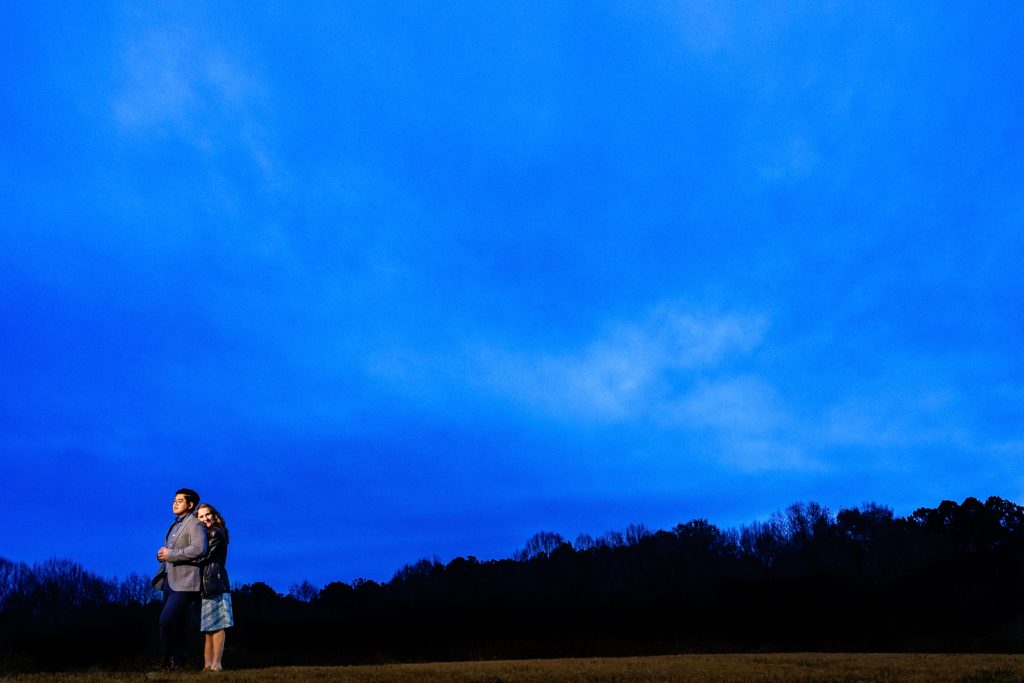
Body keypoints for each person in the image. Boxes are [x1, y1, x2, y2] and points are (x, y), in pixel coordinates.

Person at [154, 488, 208, 670]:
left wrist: (171, 554)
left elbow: (199, 549)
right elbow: (171, 552)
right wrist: (162, 555)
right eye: (174, 500)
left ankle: (166, 657)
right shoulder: (174, 525)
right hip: (169, 580)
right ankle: (178, 662)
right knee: (176, 623)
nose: (174, 503)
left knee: (165, 621)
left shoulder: (196, 524)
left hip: (186, 582)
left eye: (180, 500)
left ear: (190, 505)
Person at [196, 503, 234, 671]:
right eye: (201, 516)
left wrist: (182, 558)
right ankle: (207, 666)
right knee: (208, 627)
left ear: (214, 514)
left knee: (217, 625)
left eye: (207, 514)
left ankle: (216, 664)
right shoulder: (206, 533)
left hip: (215, 582)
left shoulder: (216, 531)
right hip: (208, 583)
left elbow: (204, 556)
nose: (205, 519)